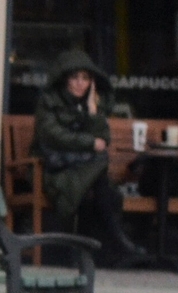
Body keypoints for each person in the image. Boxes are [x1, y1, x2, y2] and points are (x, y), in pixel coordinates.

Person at [33, 52, 148, 267]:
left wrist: (93, 111)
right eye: (74, 77)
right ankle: (118, 243)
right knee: (100, 186)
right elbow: (53, 135)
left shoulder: (91, 104)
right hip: (57, 169)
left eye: (85, 78)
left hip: (85, 171)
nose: (79, 83)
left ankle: (92, 251)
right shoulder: (49, 102)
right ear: (65, 78)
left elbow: (103, 139)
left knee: (96, 188)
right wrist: (89, 143)